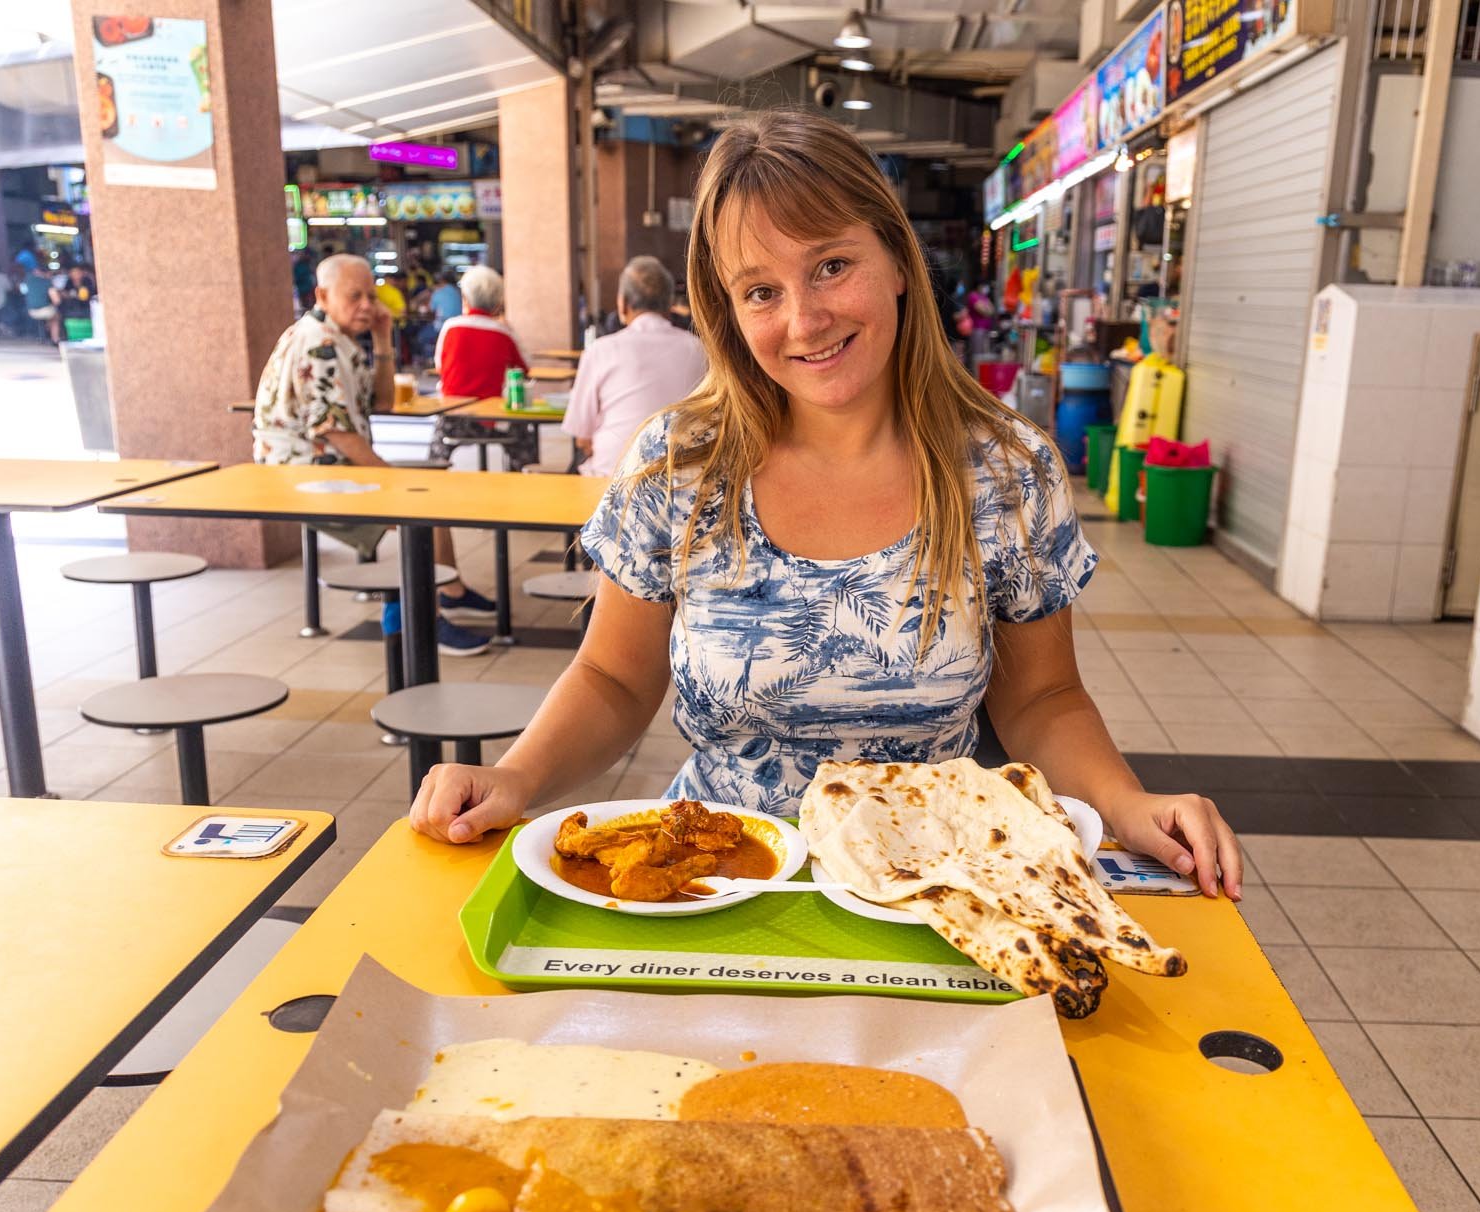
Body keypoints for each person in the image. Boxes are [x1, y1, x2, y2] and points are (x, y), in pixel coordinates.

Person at [409, 112, 1244, 899]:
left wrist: (1127, 804)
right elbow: (613, 677)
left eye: (831, 266)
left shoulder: (1007, 468)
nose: (804, 319)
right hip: (715, 880)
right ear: (729, 313)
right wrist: (514, 776)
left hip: (930, 887)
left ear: (896, 261)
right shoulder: (678, 463)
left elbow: (1042, 699)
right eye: (760, 290)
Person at [251, 253, 498, 656]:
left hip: (316, 465)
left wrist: (383, 339)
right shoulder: (322, 345)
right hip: (300, 476)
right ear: (323, 296)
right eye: (355, 296)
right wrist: (394, 484)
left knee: (426, 495)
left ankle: (449, 591)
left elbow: (382, 402)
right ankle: (420, 622)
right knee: (419, 509)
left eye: (371, 295)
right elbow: (339, 433)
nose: (367, 305)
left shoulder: (335, 336)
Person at [560, 257, 707, 477]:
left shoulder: (601, 350)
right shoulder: (699, 349)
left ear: (623, 303)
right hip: (685, 482)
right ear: (669, 305)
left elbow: (582, 437)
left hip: (613, 482)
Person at [427, 265, 529, 467]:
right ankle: (526, 476)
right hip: (494, 420)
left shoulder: (450, 327)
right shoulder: (504, 332)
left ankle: (433, 479)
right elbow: (524, 368)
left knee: (436, 452)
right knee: (524, 440)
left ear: (465, 298)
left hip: (453, 420)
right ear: (498, 301)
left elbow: (440, 366)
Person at [21, 263, 60, 345]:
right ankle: (55, 339)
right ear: (47, 273)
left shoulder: (28, 280)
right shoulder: (47, 282)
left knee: (48, 315)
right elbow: (56, 300)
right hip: (45, 311)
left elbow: (23, 291)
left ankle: (44, 332)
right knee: (55, 317)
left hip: (31, 311)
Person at [57, 262, 96, 335]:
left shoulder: (87, 280)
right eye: (72, 272)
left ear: (81, 273)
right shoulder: (69, 281)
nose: (75, 274)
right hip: (71, 307)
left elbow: (88, 294)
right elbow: (65, 292)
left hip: (86, 306)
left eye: (77, 272)